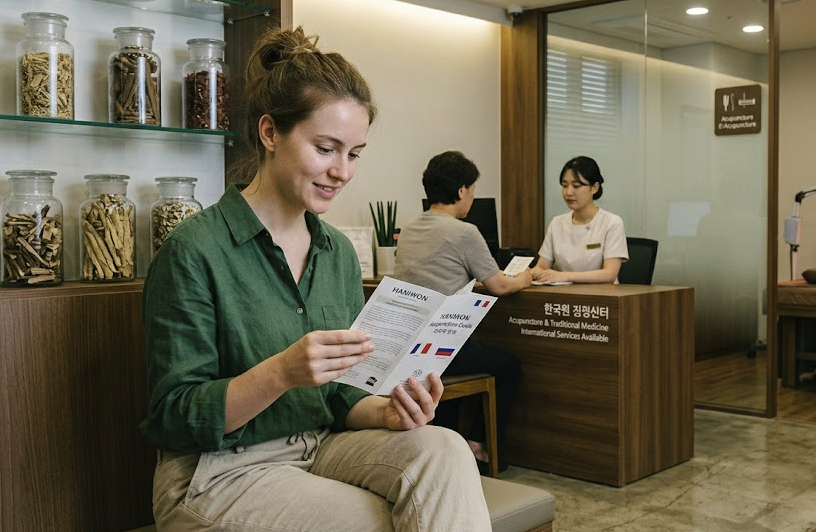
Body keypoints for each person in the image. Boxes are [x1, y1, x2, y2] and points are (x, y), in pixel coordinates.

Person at [139, 27, 491, 532]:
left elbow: (341, 397)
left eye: (354, 153)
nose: (342, 172)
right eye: (326, 148)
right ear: (269, 133)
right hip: (217, 472)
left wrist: (387, 411)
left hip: (319, 446)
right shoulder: (194, 250)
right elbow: (174, 416)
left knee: (444, 448)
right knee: (383, 522)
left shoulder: (338, 254)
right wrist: (280, 372)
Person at [392, 150, 532, 474]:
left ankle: (455, 446)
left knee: (463, 362)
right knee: (509, 367)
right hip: (444, 348)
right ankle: (481, 448)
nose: (472, 197)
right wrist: (526, 276)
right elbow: (499, 285)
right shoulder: (464, 231)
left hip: (409, 346)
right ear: (461, 191)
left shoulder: (411, 227)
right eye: (472, 190)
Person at [531, 156, 629, 284]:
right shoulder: (557, 223)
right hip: (565, 297)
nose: (569, 192)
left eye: (576, 186)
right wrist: (532, 272)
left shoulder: (612, 223)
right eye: (564, 186)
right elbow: (542, 266)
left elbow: (609, 274)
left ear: (594, 187)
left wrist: (564, 276)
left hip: (603, 297)